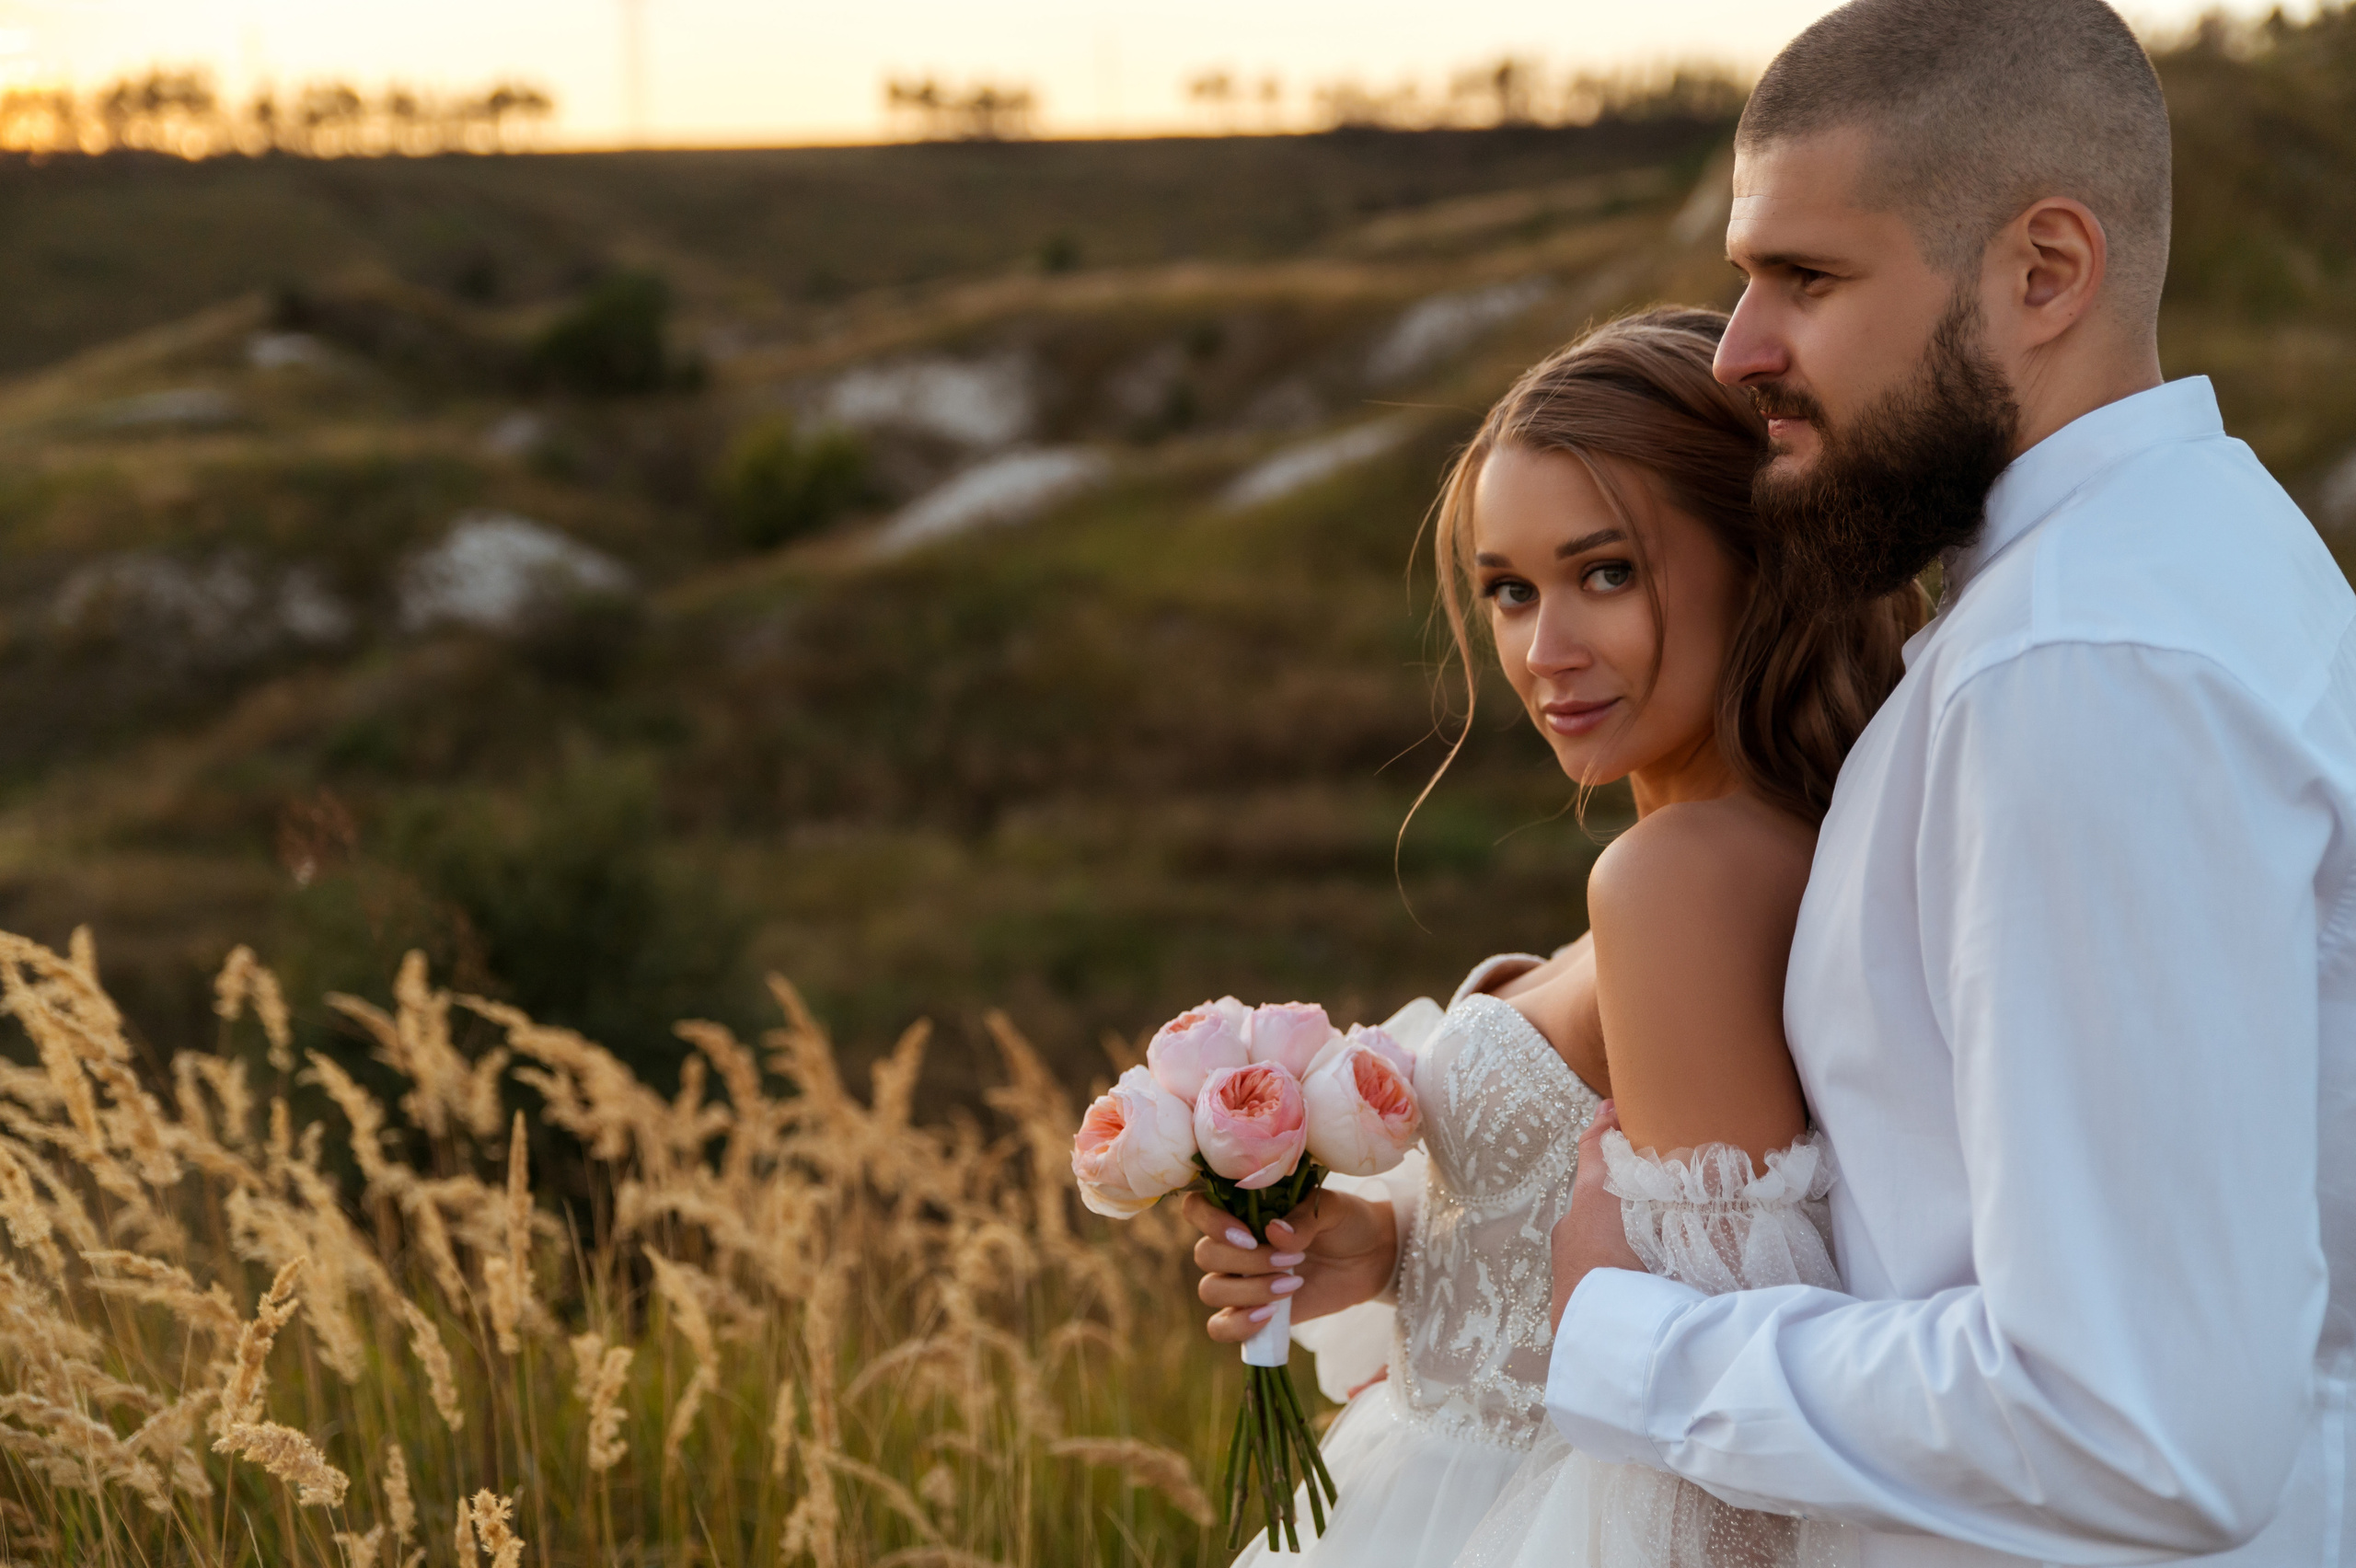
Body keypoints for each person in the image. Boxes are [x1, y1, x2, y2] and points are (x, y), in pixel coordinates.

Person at [1545, 2, 2356, 1562]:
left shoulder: (2084, 664)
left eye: (1808, 278)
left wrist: (1629, 1342)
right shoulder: (2179, 567)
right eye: (1742, 281)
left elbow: (2136, 1428)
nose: (1739, 355)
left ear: (2045, 271)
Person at [1185, 305, 1923, 1564]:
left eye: (1606, 574)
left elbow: (1726, 1432)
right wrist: (1400, 1248)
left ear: (1762, 557)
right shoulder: (1738, 850)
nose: (1545, 651)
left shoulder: (1678, 880)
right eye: (1510, 592)